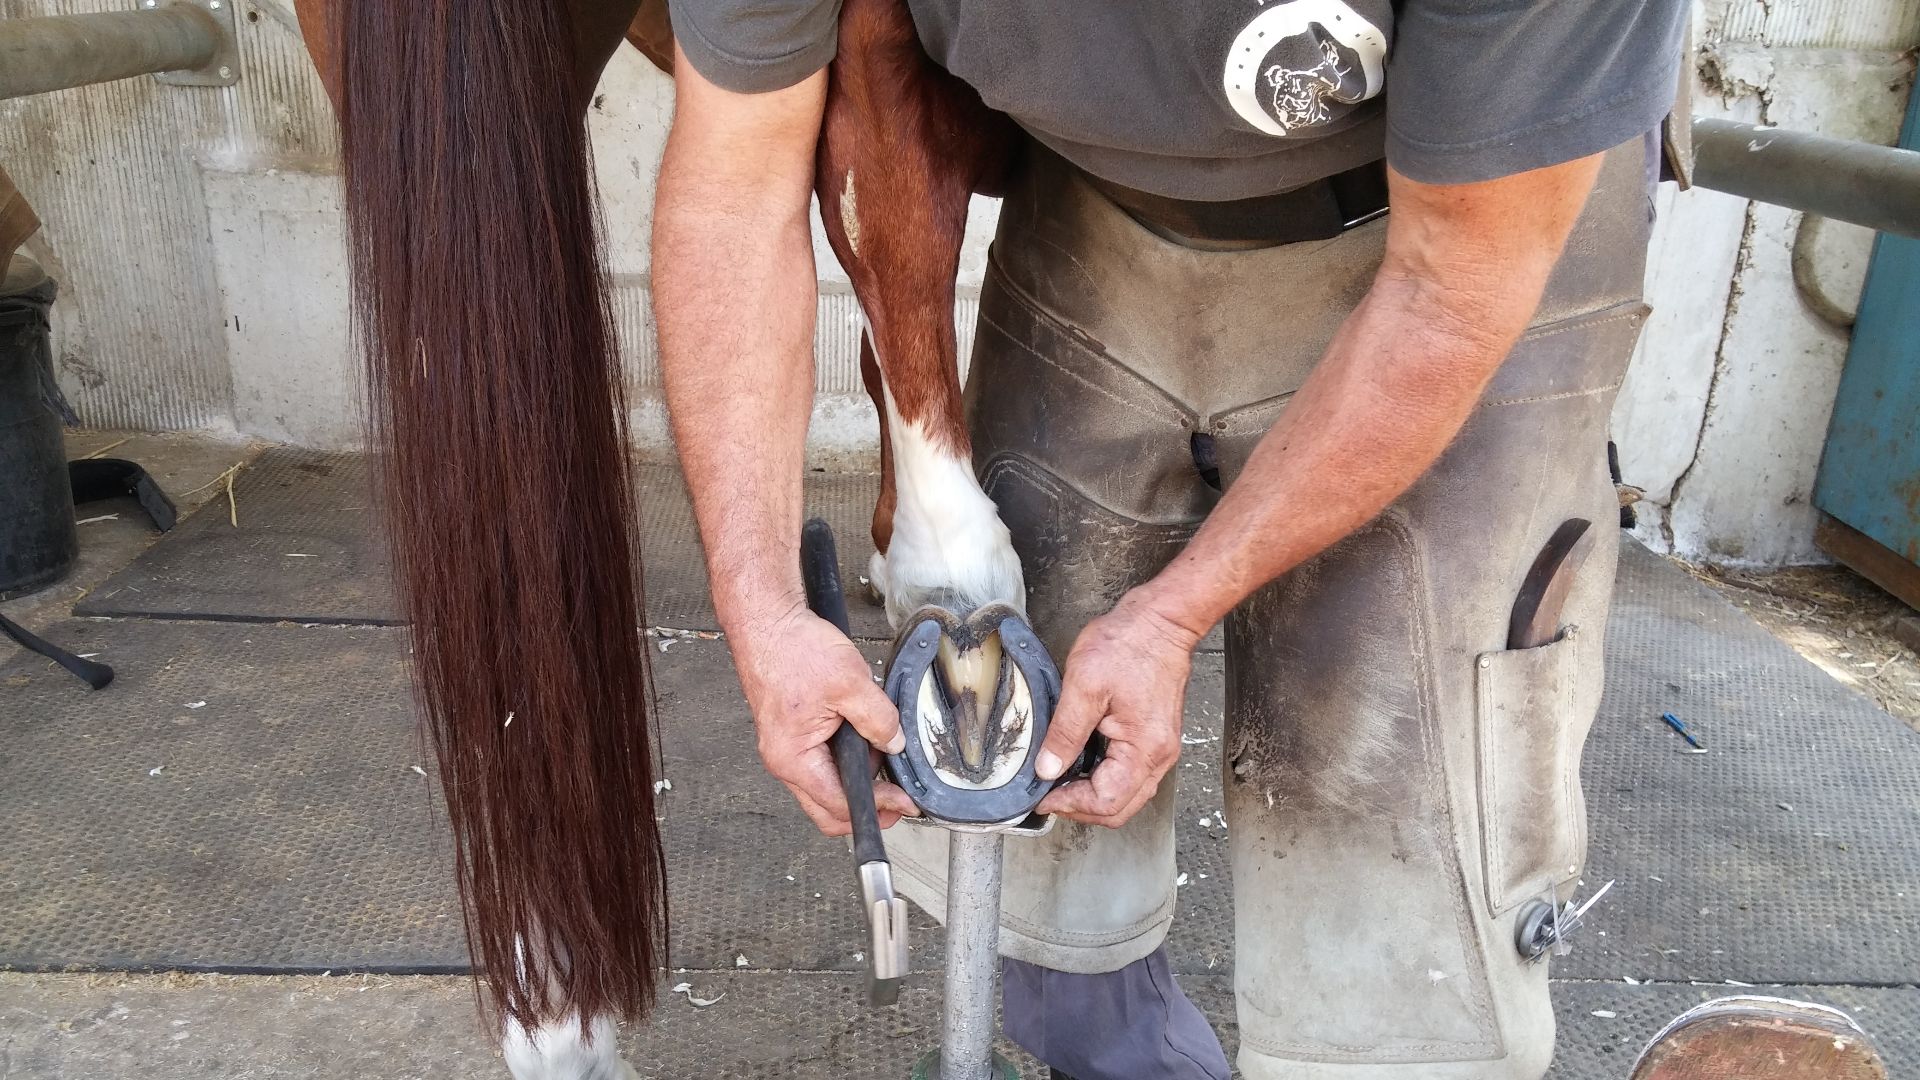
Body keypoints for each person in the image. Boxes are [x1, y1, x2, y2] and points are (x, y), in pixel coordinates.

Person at [652, 2, 1688, 1077]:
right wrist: (759, 603)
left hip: (1472, 214)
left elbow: (1457, 287)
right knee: (1036, 850)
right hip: (1097, 205)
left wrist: (1174, 611)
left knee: (1398, 930)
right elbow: (737, 185)